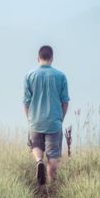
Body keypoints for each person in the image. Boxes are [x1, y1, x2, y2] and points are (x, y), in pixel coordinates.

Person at [23, 45, 70, 185]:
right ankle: (51, 186)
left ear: (38, 58)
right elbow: (65, 101)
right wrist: (60, 118)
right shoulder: (61, 76)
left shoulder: (29, 76)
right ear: (52, 58)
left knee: (36, 146)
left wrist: (30, 119)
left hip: (35, 120)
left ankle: (39, 161)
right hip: (54, 122)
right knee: (53, 156)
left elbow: (26, 101)